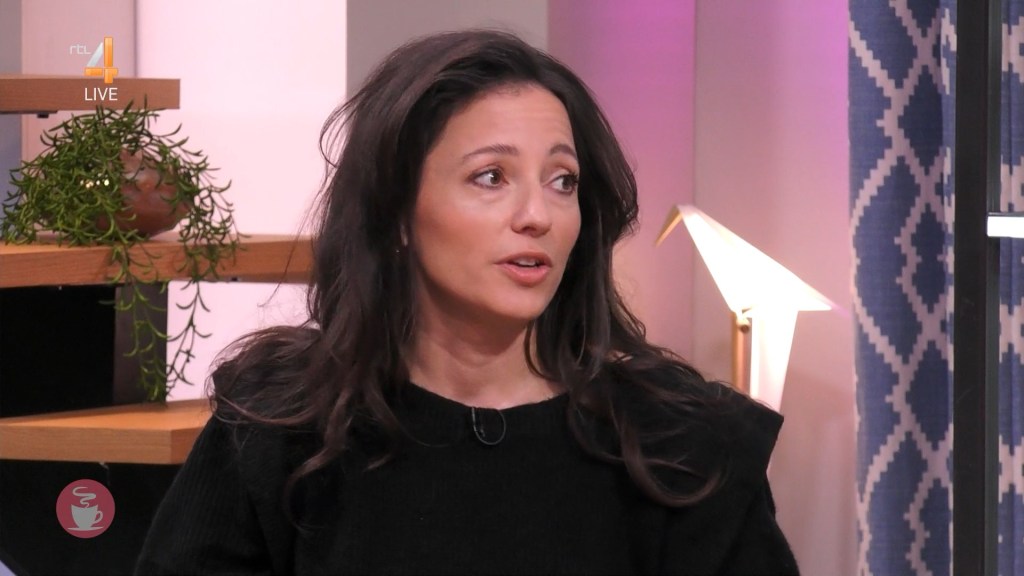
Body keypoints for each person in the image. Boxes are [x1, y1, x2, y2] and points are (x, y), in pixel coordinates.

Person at [135, 29, 798, 575]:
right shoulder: (280, 429)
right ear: (396, 214)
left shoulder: (684, 446)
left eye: (562, 181)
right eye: (491, 176)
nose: (537, 214)